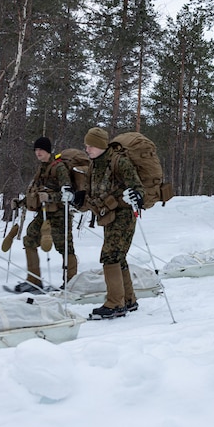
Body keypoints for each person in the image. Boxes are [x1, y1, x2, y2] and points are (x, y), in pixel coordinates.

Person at [81, 127, 144, 318]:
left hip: (124, 216)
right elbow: (93, 192)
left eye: (91, 145)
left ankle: (115, 303)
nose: (87, 149)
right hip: (108, 216)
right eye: (86, 145)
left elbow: (138, 187)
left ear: (101, 145)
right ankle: (128, 299)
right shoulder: (94, 165)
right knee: (118, 256)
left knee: (110, 255)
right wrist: (80, 198)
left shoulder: (120, 162)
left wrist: (137, 195)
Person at [11, 137, 78, 293]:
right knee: (30, 240)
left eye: (41, 149)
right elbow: (36, 192)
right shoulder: (41, 169)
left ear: (48, 150)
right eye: (36, 150)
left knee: (65, 248)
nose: (38, 152)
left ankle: (71, 283)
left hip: (59, 215)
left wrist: (50, 197)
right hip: (43, 214)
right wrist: (21, 203)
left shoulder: (59, 168)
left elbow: (68, 193)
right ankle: (34, 281)